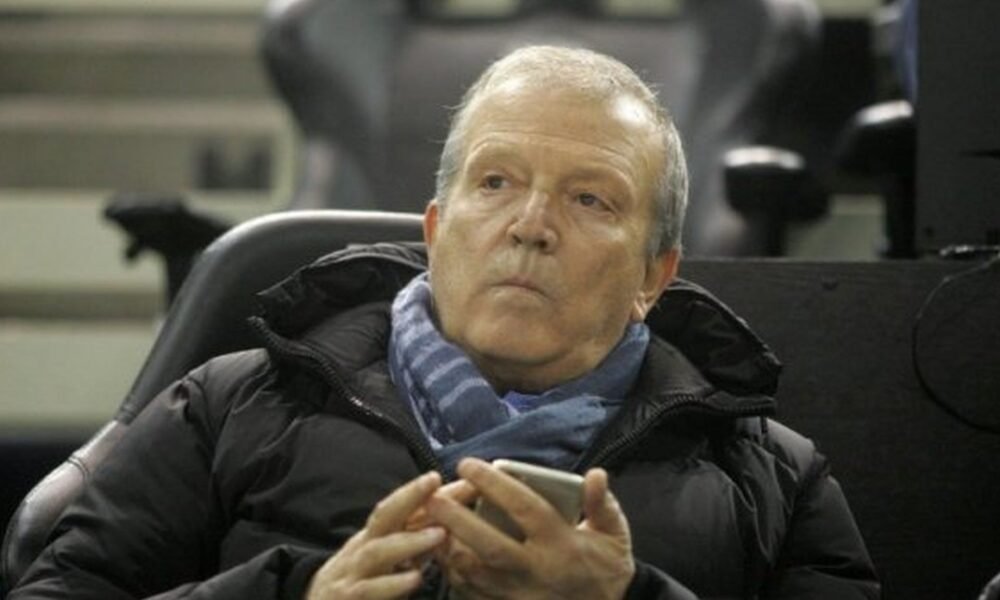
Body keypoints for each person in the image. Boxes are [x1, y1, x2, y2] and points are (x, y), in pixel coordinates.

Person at [10, 46, 879, 599]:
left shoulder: (773, 477)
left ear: (655, 275)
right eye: (495, 183)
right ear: (434, 230)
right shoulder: (229, 406)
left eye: (589, 199)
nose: (531, 225)